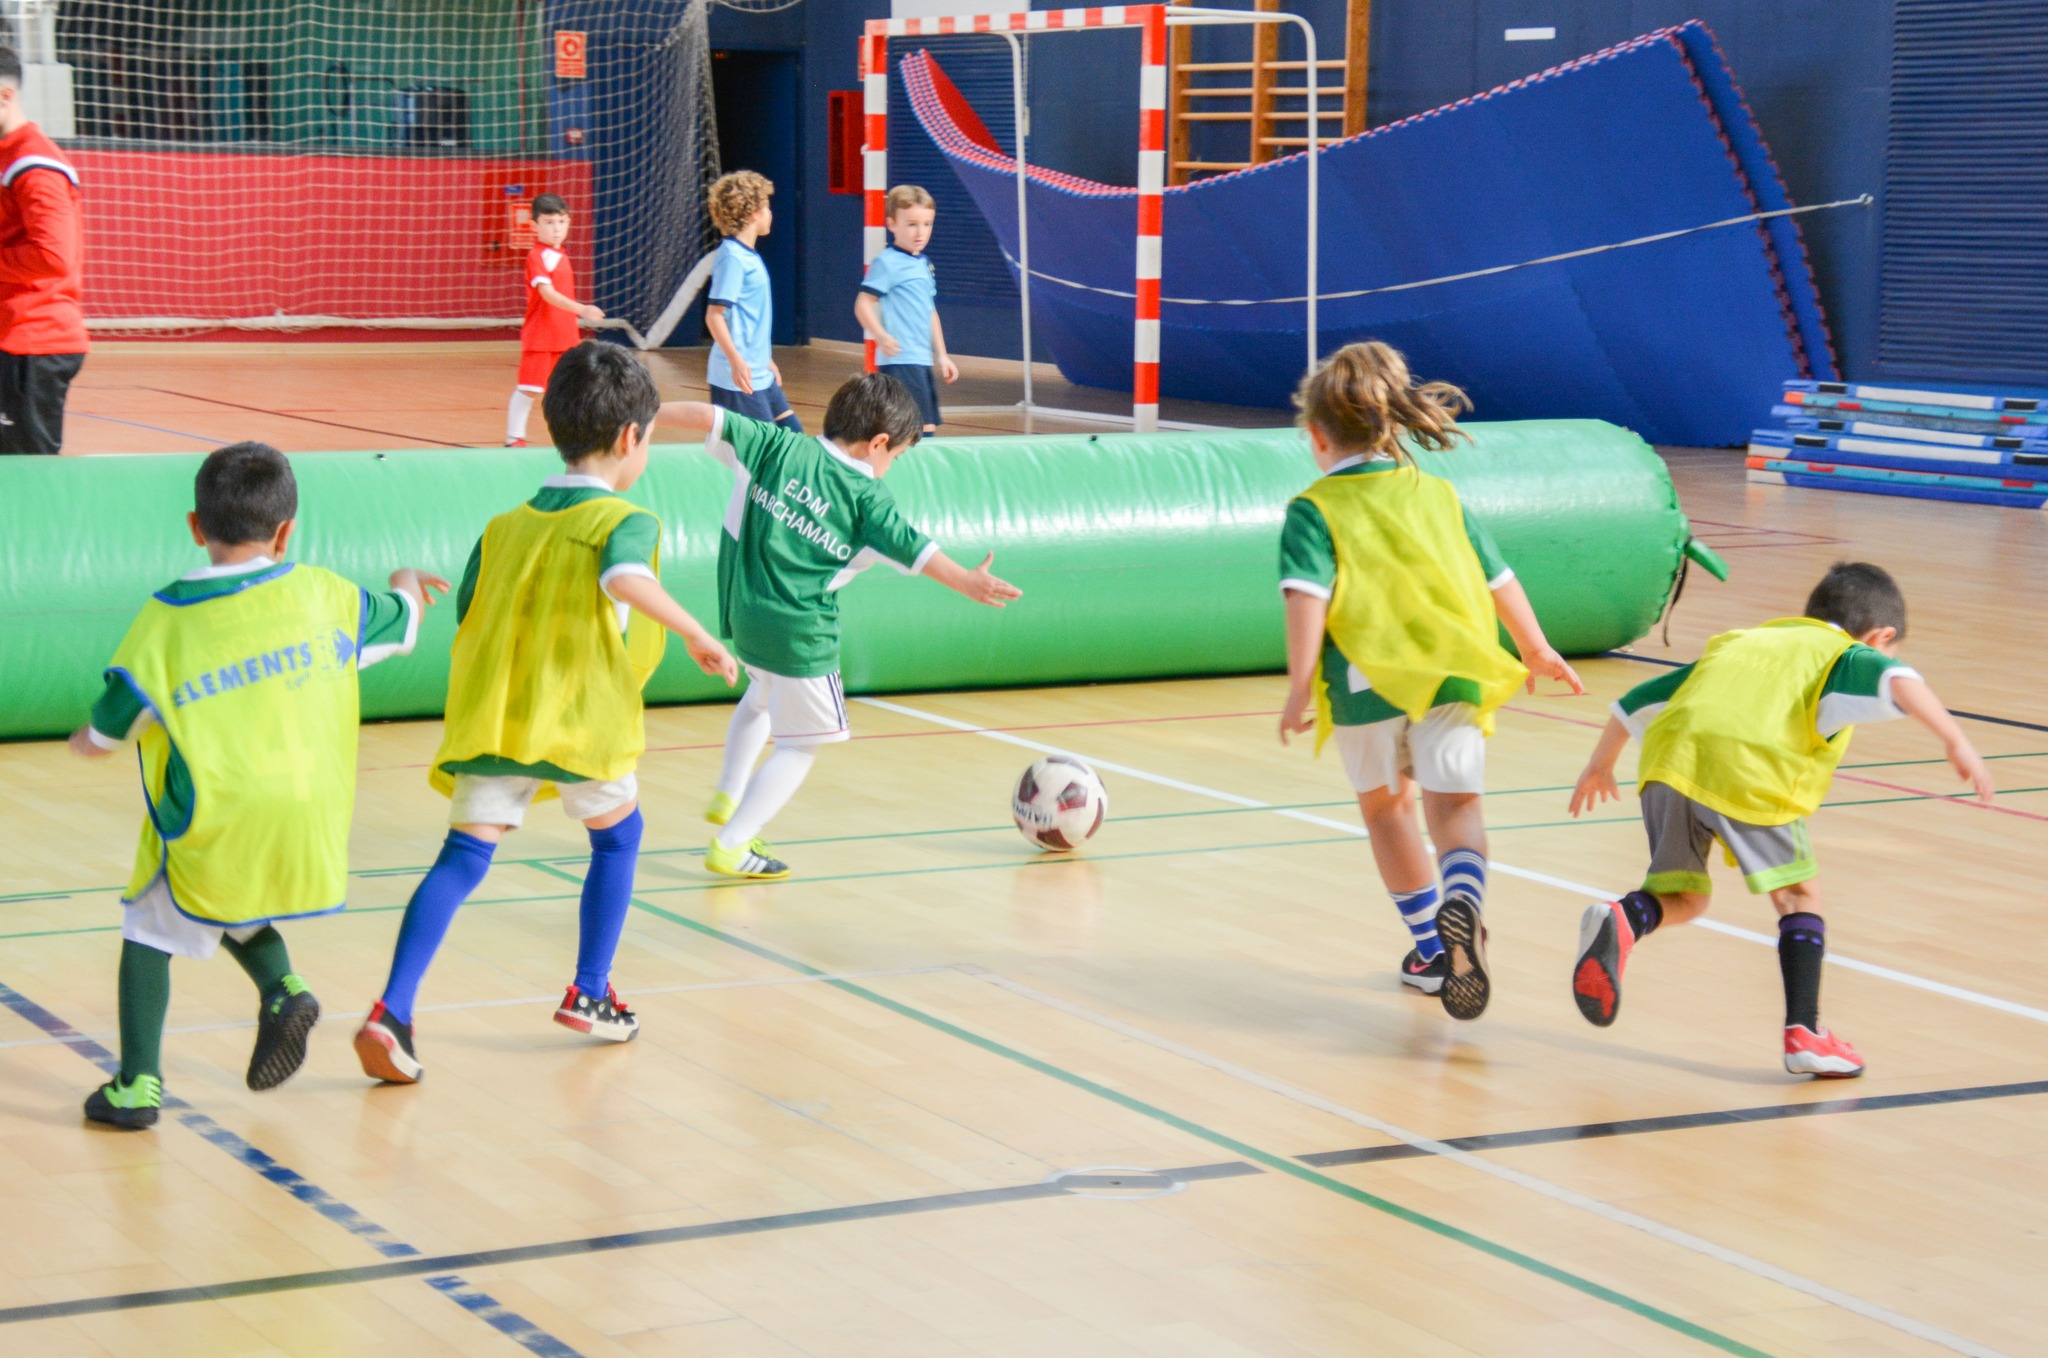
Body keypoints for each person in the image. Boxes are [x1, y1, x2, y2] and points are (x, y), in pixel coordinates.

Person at [354, 342, 737, 1085]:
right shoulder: (627, 520)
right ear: (631, 438)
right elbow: (624, 578)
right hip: (581, 718)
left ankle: (391, 1011)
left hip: (496, 719)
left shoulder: (503, 526)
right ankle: (590, 990)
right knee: (619, 837)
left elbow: (471, 614)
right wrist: (695, 632)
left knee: (464, 857)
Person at [69, 442, 443, 1128]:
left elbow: (112, 722)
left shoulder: (167, 618)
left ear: (194, 525)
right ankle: (282, 989)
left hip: (216, 807)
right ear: (286, 530)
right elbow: (406, 623)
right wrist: (406, 580)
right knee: (221, 893)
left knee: (149, 919)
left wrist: (86, 742)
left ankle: (136, 1086)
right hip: (311, 811)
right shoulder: (329, 595)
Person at [1567, 561, 1994, 1077]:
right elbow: (1898, 679)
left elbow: (1636, 700)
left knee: (1684, 897)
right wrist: (1955, 739)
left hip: (1667, 764)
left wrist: (1599, 765)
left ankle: (1623, 919)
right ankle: (1806, 1035)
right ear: (1881, 635)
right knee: (1797, 894)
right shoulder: (1842, 654)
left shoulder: (1742, 641)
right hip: (1749, 765)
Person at [1277, 342, 1583, 1020]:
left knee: (1389, 812)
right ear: (1391, 423)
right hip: (1454, 672)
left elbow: (1307, 596)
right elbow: (1498, 577)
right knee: (1456, 808)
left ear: (1317, 435)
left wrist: (1300, 685)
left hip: (1366, 682)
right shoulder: (1440, 494)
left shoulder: (1313, 508)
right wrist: (1537, 648)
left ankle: (1432, 950)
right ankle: (1463, 903)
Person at [658, 371, 1020, 880]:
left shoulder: (777, 446)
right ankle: (732, 843)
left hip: (744, 615)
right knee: (802, 744)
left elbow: (708, 416)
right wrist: (968, 583)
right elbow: (919, 551)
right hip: (800, 633)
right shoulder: (867, 499)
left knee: (760, 695)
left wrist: (642, 418)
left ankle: (730, 793)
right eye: (895, 456)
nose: (890, 467)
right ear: (877, 444)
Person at [0, 45, 87, 455]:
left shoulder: (34, 165)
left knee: (28, 482)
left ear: (5, 96)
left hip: (32, 346)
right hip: (12, 339)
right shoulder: (8, 158)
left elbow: (53, 257)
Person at [855, 185, 957, 435]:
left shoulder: (923, 263)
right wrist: (880, 335)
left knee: (924, 428)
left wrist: (942, 355)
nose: (920, 232)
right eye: (912, 224)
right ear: (892, 224)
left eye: (927, 224)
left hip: (921, 360)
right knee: (917, 430)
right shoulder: (888, 262)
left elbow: (929, 311)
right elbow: (863, 304)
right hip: (900, 360)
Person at [704, 170, 800, 431]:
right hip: (737, 378)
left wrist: (765, 360)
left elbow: (748, 319)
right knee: (761, 455)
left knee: (794, 437)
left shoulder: (749, 256)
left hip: (760, 374)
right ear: (753, 212)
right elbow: (714, 316)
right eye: (766, 206)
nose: (771, 213)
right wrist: (736, 360)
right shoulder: (733, 257)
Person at [506, 192, 602, 447]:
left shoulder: (561, 254)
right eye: (549, 222)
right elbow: (548, 295)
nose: (556, 229)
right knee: (529, 389)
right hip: (541, 337)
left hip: (566, 337)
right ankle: (514, 438)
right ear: (535, 225)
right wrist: (582, 310)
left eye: (561, 222)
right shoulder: (536, 257)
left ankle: (575, 439)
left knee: (572, 391)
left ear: (568, 222)